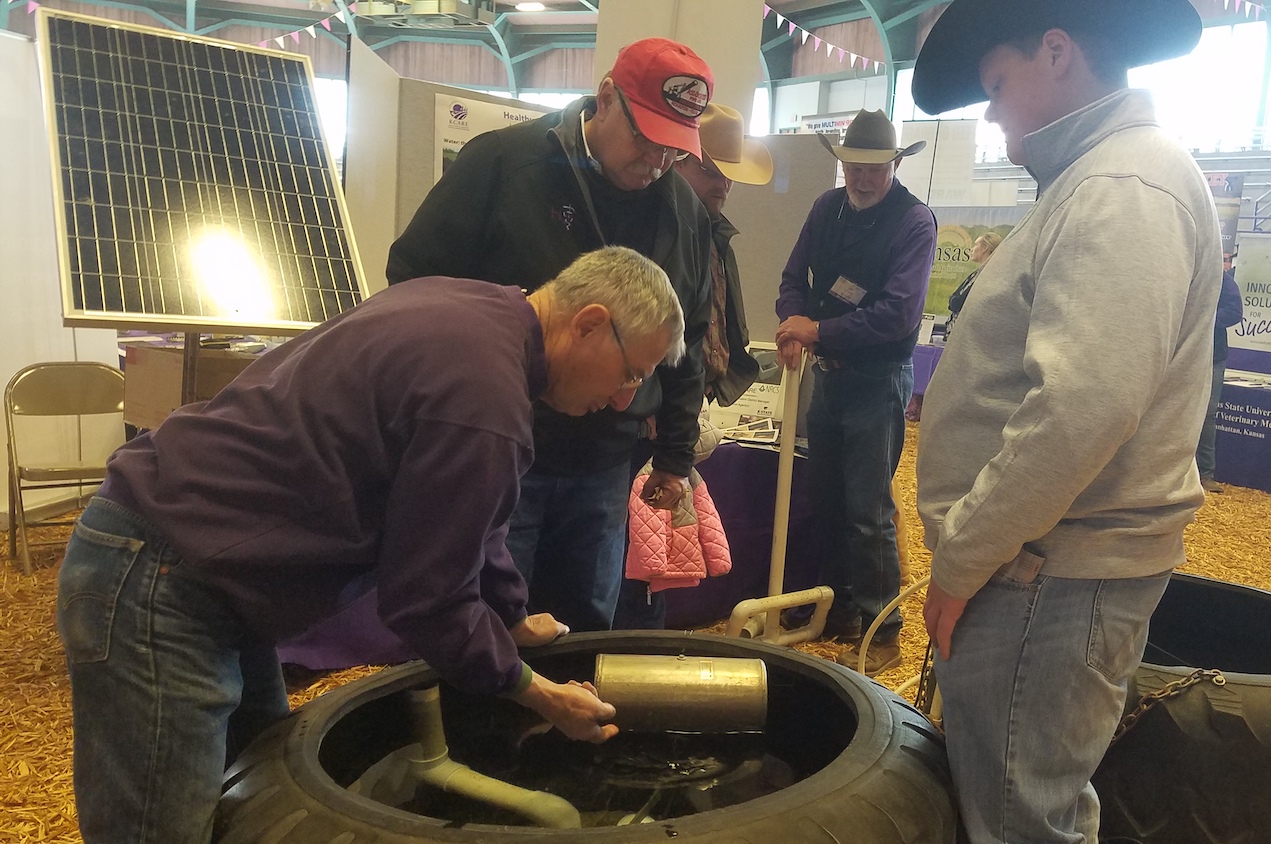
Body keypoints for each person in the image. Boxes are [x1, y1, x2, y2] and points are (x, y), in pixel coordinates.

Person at [57, 247, 682, 842]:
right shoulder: (483, 400)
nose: (625, 400)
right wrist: (537, 693)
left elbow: (474, 519)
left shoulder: (471, 311)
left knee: (255, 795)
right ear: (590, 324)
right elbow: (425, 600)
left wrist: (510, 617)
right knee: (160, 832)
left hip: (202, 565)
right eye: (631, 373)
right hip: (165, 577)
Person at [910, 1, 1218, 841]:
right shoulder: (1101, 178)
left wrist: (964, 557)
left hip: (1043, 573)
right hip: (1040, 566)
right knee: (1020, 806)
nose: (992, 109)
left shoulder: (1120, 186)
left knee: (1021, 821)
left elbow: (1080, 408)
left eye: (997, 84)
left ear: (1056, 53)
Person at [385, 38, 714, 632]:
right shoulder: (504, 164)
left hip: (605, 464)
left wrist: (675, 456)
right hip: (501, 453)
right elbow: (414, 284)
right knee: (483, 617)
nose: (657, 162)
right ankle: (480, 725)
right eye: (645, 139)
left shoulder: (683, 211)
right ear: (607, 98)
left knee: (585, 624)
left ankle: (571, 723)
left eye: (674, 148)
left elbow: (684, 340)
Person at [774, 109, 937, 675]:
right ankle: (837, 608)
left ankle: (882, 629)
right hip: (832, 376)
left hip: (878, 379)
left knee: (868, 510)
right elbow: (794, 277)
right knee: (827, 498)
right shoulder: (827, 208)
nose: (862, 177)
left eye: (874, 167)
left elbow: (897, 315)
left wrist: (814, 330)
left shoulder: (915, 221)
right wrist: (792, 320)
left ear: (893, 164)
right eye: (853, 167)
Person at [613, 102, 774, 629]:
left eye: (729, 175)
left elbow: (707, 327)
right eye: (711, 170)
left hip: (672, 412)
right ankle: (626, 650)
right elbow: (649, 325)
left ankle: (640, 648)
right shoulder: (664, 227)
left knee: (651, 548)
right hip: (639, 413)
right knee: (629, 551)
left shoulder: (709, 232)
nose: (723, 184)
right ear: (679, 160)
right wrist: (654, 402)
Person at [1197, 268, 1244, 493]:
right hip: (1179, 354)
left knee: (1208, 412)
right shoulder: (1182, 273)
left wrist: (1203, 319)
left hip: (1212, 355)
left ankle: (1206, 473)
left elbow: (1235, 311)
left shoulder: (1222, 280)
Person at [945, 230, 1004, 332]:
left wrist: (953, 300)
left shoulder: (986, 275)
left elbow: (957, 302)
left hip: (968, 333)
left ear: (985, 248)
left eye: (976, 245)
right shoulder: (978, 273)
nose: (972, 249)